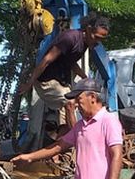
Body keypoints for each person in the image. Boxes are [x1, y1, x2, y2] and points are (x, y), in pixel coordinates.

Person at [17, 13, 111, 150]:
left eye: (101, 39)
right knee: (70, 102)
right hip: (46, 81)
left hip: (59, 82)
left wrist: (85, 77)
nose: (97, 42)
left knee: (67, 115)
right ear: (89, 29)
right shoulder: (70, 38)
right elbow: (47, 59)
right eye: (96, 37)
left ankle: (57, 149)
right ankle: (80, 143)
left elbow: (71, 63)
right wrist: (29, 83)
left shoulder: (84, 43)